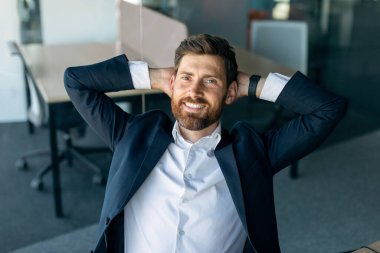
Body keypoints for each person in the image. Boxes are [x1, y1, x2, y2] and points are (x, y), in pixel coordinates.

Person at [64, 34, 346, 253]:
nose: (195, 92)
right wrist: (156, 76)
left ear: (230, 92)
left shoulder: (251, 153)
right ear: (172, 84)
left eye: (210, 81)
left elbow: (329, 108)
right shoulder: (132, 136)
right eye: (187, 78)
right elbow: (76, 81)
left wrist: (250, 84)